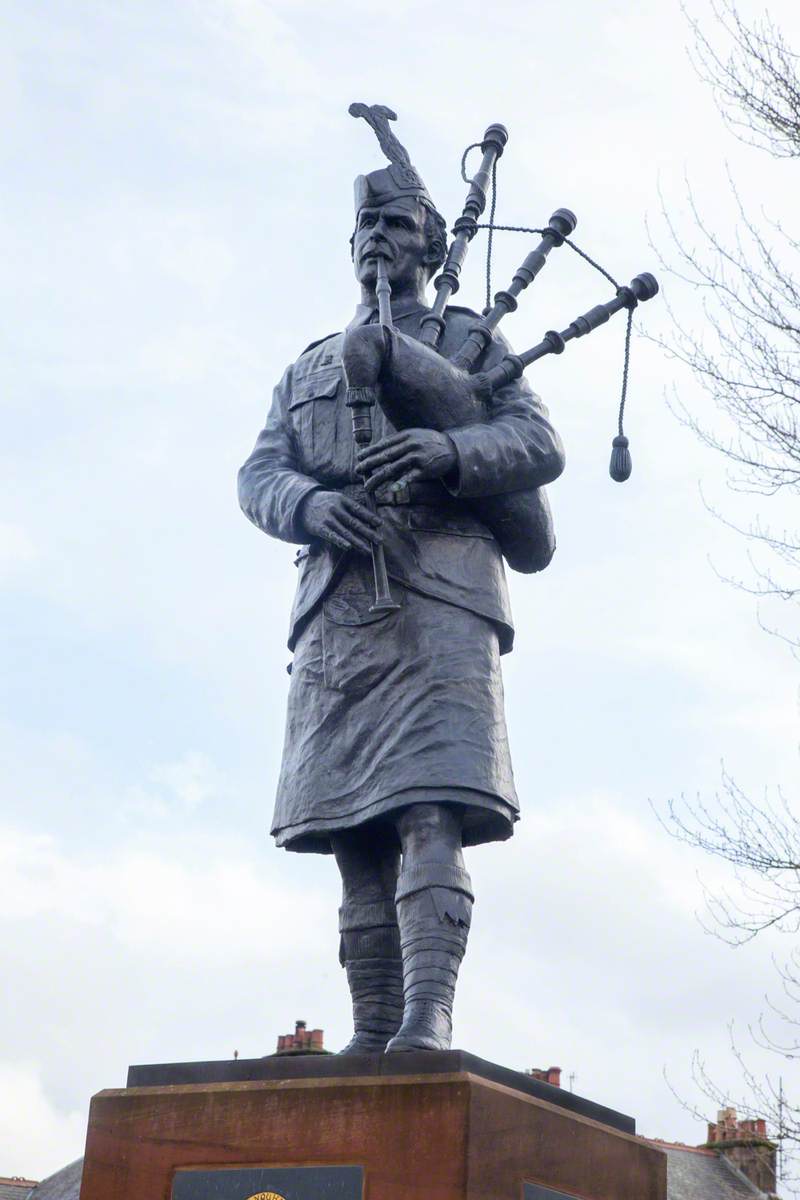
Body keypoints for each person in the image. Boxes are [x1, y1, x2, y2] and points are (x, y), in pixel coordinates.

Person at [238, 109, 564, 1053]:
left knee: (428, 811)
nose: (379, 244)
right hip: (339, 617)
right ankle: (372, 1023)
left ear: (428, 245)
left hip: (441, 603)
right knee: (351, 838)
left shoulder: (470, 346)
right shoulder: (303, 369)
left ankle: (427, 1015)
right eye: (366, 232)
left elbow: (539, 444)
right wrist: (309, 506)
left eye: (397, 229)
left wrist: (448, 445)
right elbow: (259, 473)